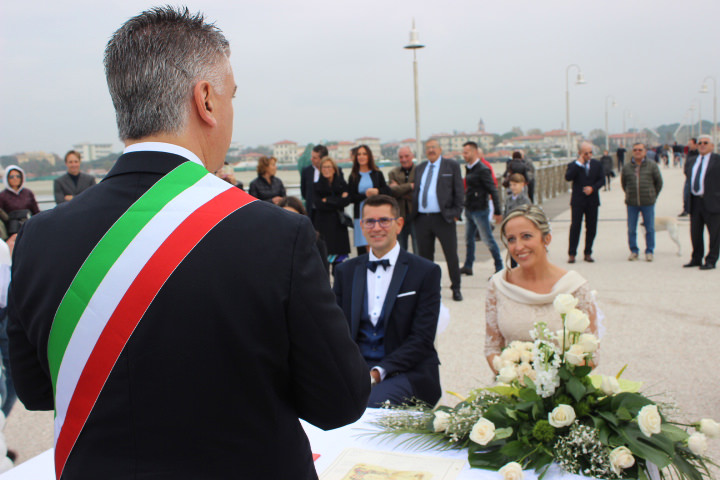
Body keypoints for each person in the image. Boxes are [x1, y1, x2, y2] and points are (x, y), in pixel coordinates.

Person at [7, 8, 369, 480]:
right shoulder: (276, 234)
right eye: (231, 96)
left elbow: (37, 392)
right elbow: (340, 400)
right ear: (206, 101)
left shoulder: (40, 236)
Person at [333, 195, 441, 407]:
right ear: (362, 227)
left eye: (384, 220)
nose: (376, 228)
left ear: (399, 224)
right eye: (370, 222)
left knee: (369, 406)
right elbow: (335, 329)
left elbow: (422, 338)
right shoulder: (345, 271)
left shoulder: (426, 272)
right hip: (355, 368)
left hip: (407, 371)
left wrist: (377, 373)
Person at [484, 204, 599, 373]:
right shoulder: (498, 285)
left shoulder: (574, 287)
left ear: (546, 238)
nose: (518, 246)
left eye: (526, 236)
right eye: (511, 239)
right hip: (514, 390)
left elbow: (592, 354)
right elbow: (492, 348)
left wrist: (553, 384)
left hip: (563, 390)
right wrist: (515, 377)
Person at [413, 139, 464, 301]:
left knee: (451, 255)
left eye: (434, 147)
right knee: (425, 258)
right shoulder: (420, 168)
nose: (431, 150)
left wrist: (456, 212)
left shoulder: (451, 166)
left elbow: (459, 190)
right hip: (422, 219)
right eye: (428, 148)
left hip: (444, 218)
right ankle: (430, 289)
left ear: (440, 149)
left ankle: (456, 287)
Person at [460, 141, 503, 276]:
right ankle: (468, 265)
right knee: (469, 239)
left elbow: (493, 190)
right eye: (463, 152)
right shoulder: (469, 168)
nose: (464, 155)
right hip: (470, 208)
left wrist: (497, 211)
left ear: (474, 152)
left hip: (480, 209)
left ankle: (499, 266)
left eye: (466, 152)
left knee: (487, 239)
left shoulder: (483, 169)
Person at [621, 143, 663, 262]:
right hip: (632, 202)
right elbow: (624, 183)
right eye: (635, 150)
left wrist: (652, 195)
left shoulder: (652, 166)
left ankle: (649, 251)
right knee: (631, 228)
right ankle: (634, 251)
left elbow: (659, 182)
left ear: (645, 152)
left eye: (640, 150)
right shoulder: (627, 167)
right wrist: (629, 193)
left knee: (649, 228)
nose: (637, 152)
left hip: (647, 202)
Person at [684, 135, 720, 270]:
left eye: (705, 143)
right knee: (695, 232)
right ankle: (696, 258)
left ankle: (711, 260)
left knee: (715, 233)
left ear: (712, 145)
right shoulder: (692, 160)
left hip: (713, 201)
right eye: (700, 143)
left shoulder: (717, 160)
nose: (702, 145)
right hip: (695, 201)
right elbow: (688, 177)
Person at [565, 142, 605, 263]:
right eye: (586, 153)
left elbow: (601, 180)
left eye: (590, 152)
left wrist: (593, 188)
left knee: (591, 227)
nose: (589, 155)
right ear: (580, 153)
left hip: (592, 200)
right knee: (575, 227)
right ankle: (572, 253)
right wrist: (579, 164)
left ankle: (588, 252)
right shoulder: (573, 165)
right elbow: (568, 177)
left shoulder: (597, 164)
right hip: (578, 200)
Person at [348, 145, 390, 255]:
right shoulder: (353, 176)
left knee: (376, 247)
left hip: (376, 215)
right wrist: (365, 195)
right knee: (363, 251)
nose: (361, 156)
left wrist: (377, 191)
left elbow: (387, 191)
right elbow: (351, 197)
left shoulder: (377, 173)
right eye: (359, 154)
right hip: (360, 216)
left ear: (369, 156)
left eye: (364, 154)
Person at [313, 157, 351, 269]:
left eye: (329, 167)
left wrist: (328, 200)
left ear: (334, 169)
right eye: (324, 167)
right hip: (323, 226)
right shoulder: (316, 186)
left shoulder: (342, 184)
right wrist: (338, 200)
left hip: (339, 227)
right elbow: (319, 205)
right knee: (323, 263)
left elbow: (347, 201)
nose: (326, 169)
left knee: (340, 266)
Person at [281, 196, 329, 274]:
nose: (289, 220)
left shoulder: (315, 241)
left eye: (294, 216)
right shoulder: (272, 241)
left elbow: (323, 273)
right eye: (284, 216)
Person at [388, 146, 417, 252]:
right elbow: (392, 192)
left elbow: (419, 192)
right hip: (399, 217)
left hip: (416, 215)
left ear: (412, 156)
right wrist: (410, 186)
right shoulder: (393, 173)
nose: (404, 159)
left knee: (418, 248)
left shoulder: (420, 171)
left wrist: (399, 189)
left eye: (406, 156)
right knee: (400, 250)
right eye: (401, 157)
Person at [0, 166, 40, 240]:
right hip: (11, 231)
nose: (15, 179)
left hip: (28, 227)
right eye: (11, 177)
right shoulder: (2, 196)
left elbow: (36, 212)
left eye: (18, 176)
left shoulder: (28, 193)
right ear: (7, 178)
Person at [300, 144, 328, 221]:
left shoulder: (333, 170)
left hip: (328, 213)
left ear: (323, 158)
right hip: (312, 213)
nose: (311, 159)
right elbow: (304, 192)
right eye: (312, 156)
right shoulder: (306, 171)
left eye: (314, 158)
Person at [679, 138, 699, 217]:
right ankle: (686, 210)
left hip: (696, 178)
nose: (689, 146)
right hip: (688, 177)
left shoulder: (699, 154)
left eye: (690, 144)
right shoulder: (689, 153)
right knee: (686, 194)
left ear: (696, 144)